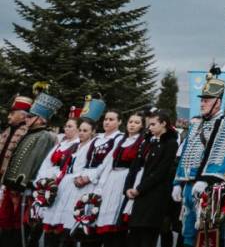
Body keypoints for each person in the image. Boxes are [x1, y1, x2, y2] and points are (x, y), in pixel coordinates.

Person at [172, 67, 225, 247]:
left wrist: (206, 179)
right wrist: (178, 183)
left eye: (207, 100)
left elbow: (222, 156)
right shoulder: (196, 126)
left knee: (209, 234)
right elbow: (185, 155)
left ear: (218, 102)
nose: (202, 104)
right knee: (187, 234)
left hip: (210, 189)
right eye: (202, 100)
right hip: (189, 186)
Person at [51, 97, 115, 245]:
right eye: (79, 130)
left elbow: (96, 165)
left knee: (78, 225)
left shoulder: (94, 146)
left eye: (85, 131)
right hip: (69, 186)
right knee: (64, 227)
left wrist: (83, 177)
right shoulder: (75, 146)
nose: (81, 133)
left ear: (93, 132)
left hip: (84, 186)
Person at [1, 89, 60, 247]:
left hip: (21, 190)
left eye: (30, 117)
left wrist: (21, 185)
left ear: (40, 120)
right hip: (12, 187)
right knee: (7, 225)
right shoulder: (31, 133)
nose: (26, 119)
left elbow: (33, 162)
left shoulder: (44, 136)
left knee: (19, 228)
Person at [125, 110, 180, 247]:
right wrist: (128, 187)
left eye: (153, 124)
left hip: (155, 194)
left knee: (148, 234)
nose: (150, 128)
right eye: (149, 125)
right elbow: (135, 166)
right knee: (134, 234)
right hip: (140, 191)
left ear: (164, 124)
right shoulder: (149, 141)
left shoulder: (171, 143)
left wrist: (140, 189)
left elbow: (161, 171)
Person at [94, 111, 144, 244]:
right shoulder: (122, 140)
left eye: (137, 123)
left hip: (125, 178)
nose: (132, 125)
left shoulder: (141, 142)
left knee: (117, 215)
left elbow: (138, 167)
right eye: (131, 122)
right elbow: (109, 163)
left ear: (142, 126)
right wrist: (101, 184)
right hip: (112, 178)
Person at [31, 116, 79, 242]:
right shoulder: (61, 144)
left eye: (70, 127)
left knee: (55, 224)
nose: (66, 129)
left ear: (78, 129)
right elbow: (47, 162)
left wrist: (54, 180)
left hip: (60, 186)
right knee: (39, 221)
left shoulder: (77, 145)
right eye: (66, 126)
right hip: (47, 183)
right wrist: (41, 180)